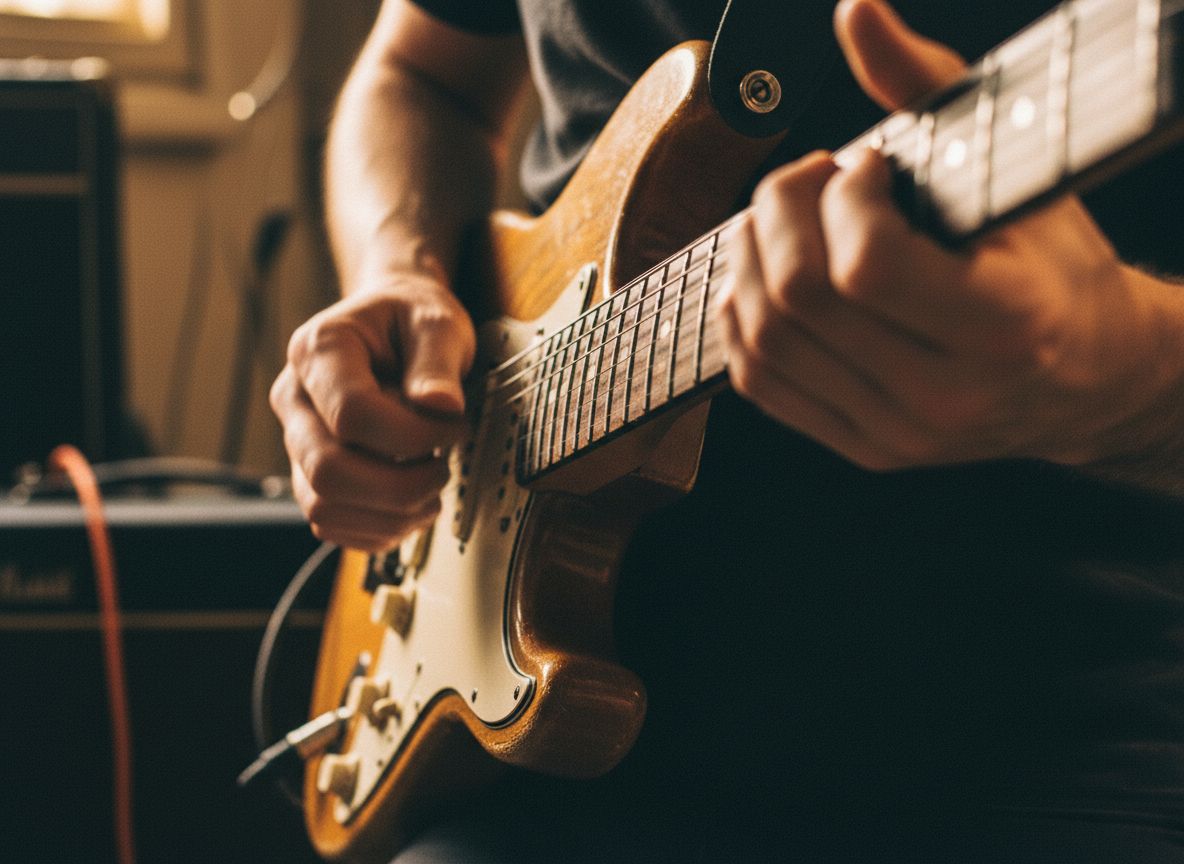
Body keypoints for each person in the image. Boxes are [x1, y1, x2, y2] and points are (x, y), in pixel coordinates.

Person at [269, 0, 1184, 860]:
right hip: (573, 743)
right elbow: (422, 75)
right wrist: (400, 270)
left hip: (1059, 730)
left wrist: (1130, 378)